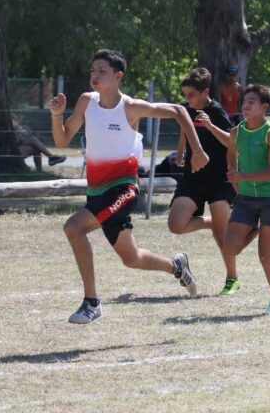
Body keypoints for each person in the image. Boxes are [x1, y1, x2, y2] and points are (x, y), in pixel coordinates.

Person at [48, 49, 210, 325]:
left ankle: (91, 303)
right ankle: (177, 267)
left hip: (124, 189)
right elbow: (62, 141)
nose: (95, 75)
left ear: (118, 76)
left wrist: (197, 150)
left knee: (73, 227)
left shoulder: (131, 107)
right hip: (97, 192)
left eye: (102, 71)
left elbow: (179, 111)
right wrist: (56, 115)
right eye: (93, 71)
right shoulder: (86, 101)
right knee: (132, 258)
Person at [169, 67, 238, 294]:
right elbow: (184, 130)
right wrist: (180, 152)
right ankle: (212, 221)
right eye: (185, 94)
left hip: (219, 179)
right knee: (176, 225)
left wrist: (210, 125)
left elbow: (231, 142)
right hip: (193, 177)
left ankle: (232, 278)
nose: (187, 99)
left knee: (222, 235)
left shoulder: (216, 111)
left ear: (205, 92)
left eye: (191, 95)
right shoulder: (186, 109)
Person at [223, 84, 270, 314]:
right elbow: (231, 155)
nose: (246, 105)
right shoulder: (236, 132)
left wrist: (243, 176)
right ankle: (259, 228)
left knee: (265, 256)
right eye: (245, 101)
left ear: (264, 107)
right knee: (230, 248)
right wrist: (234, 176)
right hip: (246, 197)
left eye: (252, 102)